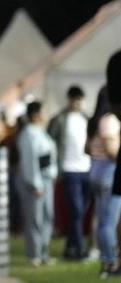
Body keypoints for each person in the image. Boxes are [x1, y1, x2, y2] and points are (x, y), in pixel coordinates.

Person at [47, 85, 91, 260]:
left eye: (80, 100)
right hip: (69, 169)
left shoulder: (86, 119)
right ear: (70, 100)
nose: (78, 103)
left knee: (80, 211)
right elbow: (48, 143)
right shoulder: (59, 119)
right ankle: (79, 249)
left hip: (86, 169)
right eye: (76, 99)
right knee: (76, 210)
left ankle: (70, 247)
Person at [17, 101, 58, 267]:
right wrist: (35, 184)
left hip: (46, 179)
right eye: (43, 111)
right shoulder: (28, 134)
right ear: (35, 114)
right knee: (35, 218)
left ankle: (43, 252)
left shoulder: (41, 132)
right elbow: (29, 161)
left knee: (47, 216)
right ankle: (34, 253)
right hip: (35, 182)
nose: (45, 114)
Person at [86, 86, 121, 277]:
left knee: (101, 219)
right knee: (109, 221)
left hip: (96, 169)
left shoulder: (95, 121)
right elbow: (111, 149)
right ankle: (111, 263)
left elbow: (87, 148)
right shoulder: (110, 120)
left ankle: (106, 261)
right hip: (108, 170)